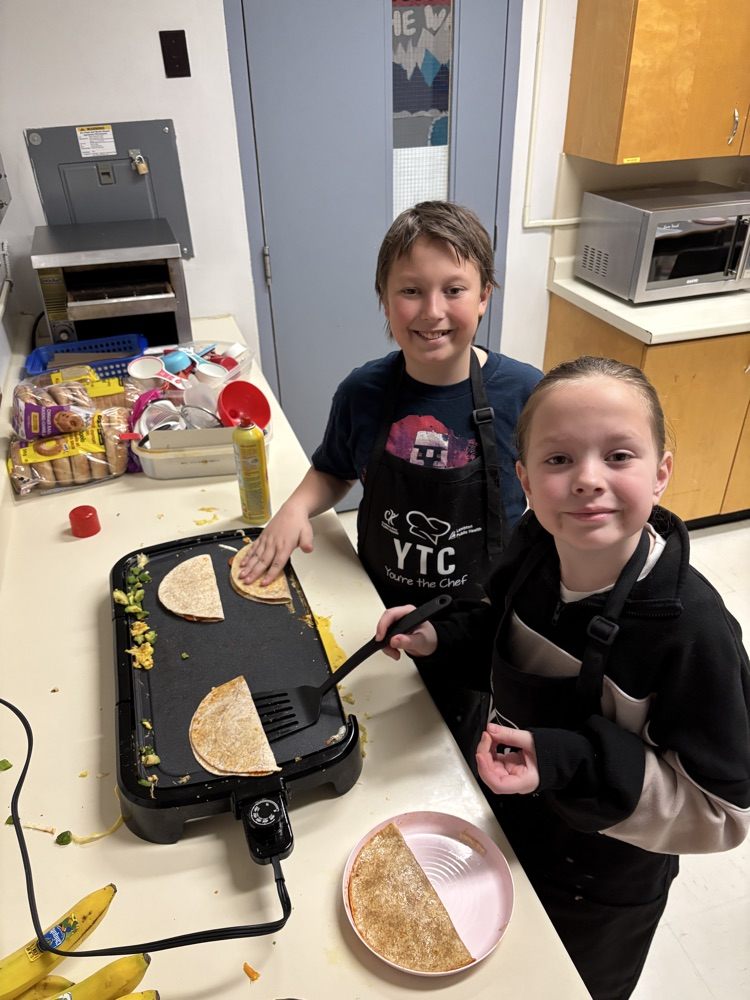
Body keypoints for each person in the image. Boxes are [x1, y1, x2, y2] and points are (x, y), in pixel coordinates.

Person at [375, 356, 750, 1000]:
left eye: (619, 456)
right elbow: (497, 635)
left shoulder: (692, 631)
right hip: (506, 821)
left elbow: (723, 813)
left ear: (661, 472)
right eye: (558, 460)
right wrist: (438, 638)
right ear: (523, 478)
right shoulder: (532, 546)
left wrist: (565, 762)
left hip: (599, 884)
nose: (587, 480)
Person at [238, 200, 542, 756]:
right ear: (384, 298)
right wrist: (295, 508)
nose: (432, 310)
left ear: (484, 295)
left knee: (450, 750)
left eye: (454, 289)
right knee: (375, 738)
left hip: (477, 625)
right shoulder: (364, 392)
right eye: (411, 290)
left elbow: (554, 501)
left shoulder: (526, 395)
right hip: (377, 613)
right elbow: (333, 470)